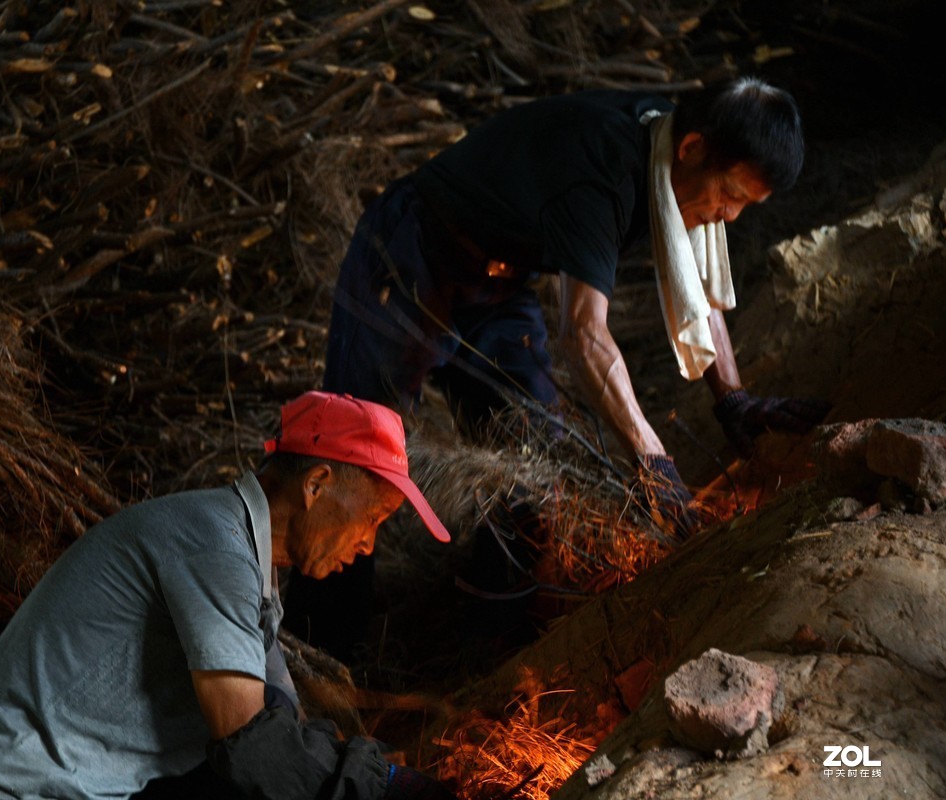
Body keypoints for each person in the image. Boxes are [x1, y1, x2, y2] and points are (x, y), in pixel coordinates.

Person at [284, 76, 831, 660]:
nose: (731, 215)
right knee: (357, 456)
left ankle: (488, 648)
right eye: (731, 196)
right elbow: (584, 334)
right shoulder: (606, 169)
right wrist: (653, 461)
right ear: (693, 148)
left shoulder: (674, 153)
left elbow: (697, 286)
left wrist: (734, 400)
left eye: (746, 205)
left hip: (497, 285)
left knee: (535, 459)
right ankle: (318, 654)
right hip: (411, 252)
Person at [0, 391, 458, 800]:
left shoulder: (240, 548)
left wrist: (372, 768)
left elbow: (278, 711)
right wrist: (385, 784)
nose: (368, 544)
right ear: (316, 484)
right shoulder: (216, 550)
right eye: (373, 518)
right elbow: (255, 748)